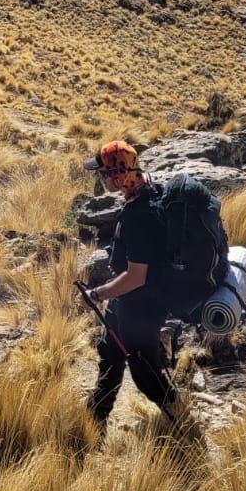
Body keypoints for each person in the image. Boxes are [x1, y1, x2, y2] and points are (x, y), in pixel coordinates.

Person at [82, 140, 186, 428]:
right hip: (126, 305)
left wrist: (98, 293)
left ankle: (181, 423)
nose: (101, 179)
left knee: (145, 372)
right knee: (110, 356)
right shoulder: (147, 191)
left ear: (119, 174)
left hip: (141, 307)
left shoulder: (138, 217)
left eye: (103, 173)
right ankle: (94, 420)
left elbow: (136, 276)